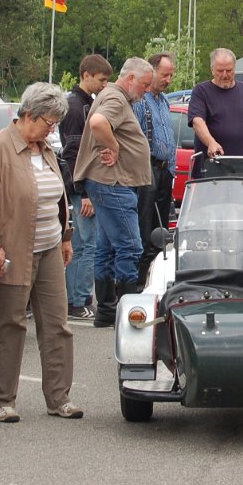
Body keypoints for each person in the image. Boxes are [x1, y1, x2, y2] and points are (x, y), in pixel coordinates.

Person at [0, 82, 82, 423]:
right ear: (29, 116)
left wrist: (65, 237)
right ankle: (2, 400)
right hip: (12, 250)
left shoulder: (45, 149)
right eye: (49, 123)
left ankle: (59, 397)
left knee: (57, 325)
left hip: (49, 246)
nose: (52, 131)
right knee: (10, 324)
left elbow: (58, 197)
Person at [74, 57, 153, 328]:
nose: (145, 91)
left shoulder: (113, 96)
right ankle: (128, 314)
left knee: (106, 248)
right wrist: (115, 147)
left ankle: (107, 311)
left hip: (108, 183)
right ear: (130, 79)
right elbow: (97, 122)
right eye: (144, 85)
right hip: (113, 184)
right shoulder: (117, 99)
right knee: (131, 247)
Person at [60, 54, 112, 320]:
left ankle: (74, 299)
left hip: (84, 185)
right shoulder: (74, 106)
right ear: (86, 75)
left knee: (80, 245)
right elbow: (73, 153)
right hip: (82, 188)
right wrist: (82, 192)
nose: (104, 85)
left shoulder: (86, 104)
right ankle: (78, 300)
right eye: (101, 80)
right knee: (86, 245)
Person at [133, 52, 176, 287]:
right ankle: (140, 279)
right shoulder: (140, 102)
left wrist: (171, 169)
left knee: (161, 229)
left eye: (171, 75)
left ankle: (156, 274)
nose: (168, 79)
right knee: (145, 225)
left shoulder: (164, 101)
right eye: (164, 74)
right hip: (146, 168)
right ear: (151, 72)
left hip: (164, 171)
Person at [187, 47, 243, 177]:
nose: (224, 75)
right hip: (210, 170)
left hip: (242, 172)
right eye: (220, 71)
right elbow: (197, 121)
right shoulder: (201, 91)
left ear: (234, 69)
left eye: (229, 70)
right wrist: (211, 142)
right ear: (212, 70)